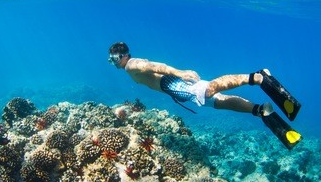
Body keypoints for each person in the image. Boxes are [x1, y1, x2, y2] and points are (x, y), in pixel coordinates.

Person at [108, 41, 271, 117]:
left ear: (124, 56)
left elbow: (153, 66)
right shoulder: (131, 65)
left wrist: (179, 73)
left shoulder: (131, 64)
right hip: (173, 89)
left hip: (172, 84)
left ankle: (257, 77)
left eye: (115, 59)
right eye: (111, 60)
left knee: (210, 90)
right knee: (218, 102)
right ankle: (257, 109)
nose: (114, 62)